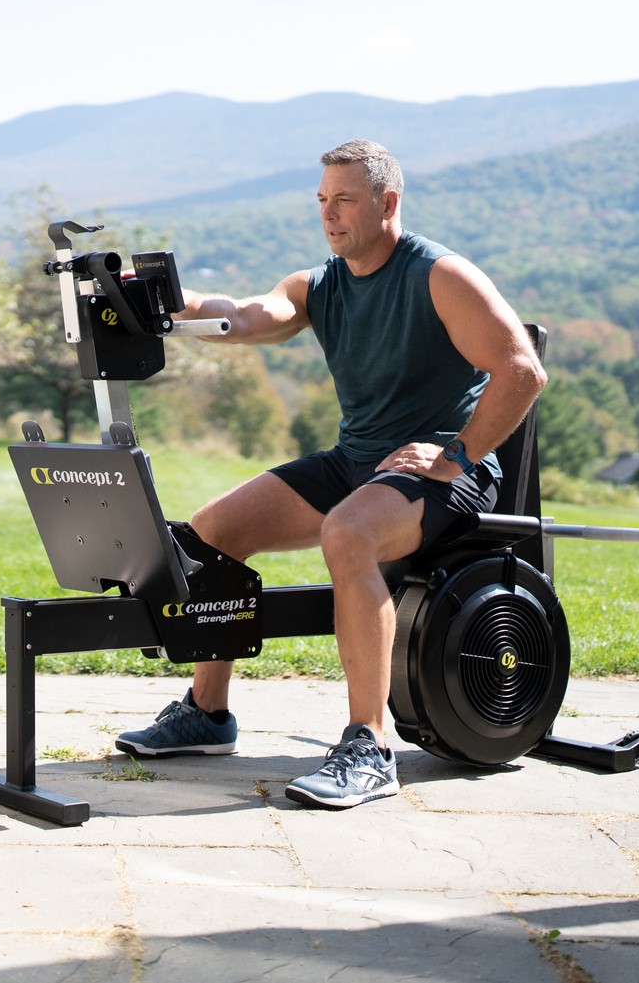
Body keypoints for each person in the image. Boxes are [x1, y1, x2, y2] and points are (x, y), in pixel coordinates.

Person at [116, 140, 546, 808]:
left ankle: (368, 745)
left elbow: (521, 370)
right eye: (321, 200)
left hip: (438, 473)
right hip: (357, 462)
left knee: (347, 533)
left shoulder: (438, 275)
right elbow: (248, 317)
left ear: (386, 202)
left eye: (344, 199)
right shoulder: (319, 283)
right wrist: (167, 303)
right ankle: (206, 713)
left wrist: (455, 453)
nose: (329, 213)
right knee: (211, 529)